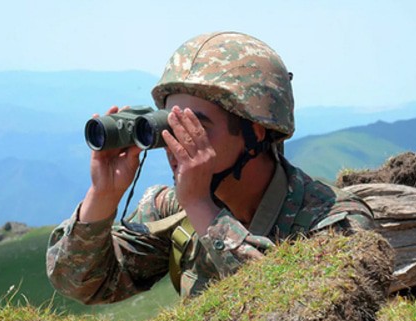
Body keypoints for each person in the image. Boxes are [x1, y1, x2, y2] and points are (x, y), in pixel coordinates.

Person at [46, 31, 376, 303]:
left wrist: (201, 207)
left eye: (196, 127)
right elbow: (83, 284)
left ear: (254, 132)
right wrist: (102, 196)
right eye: (170, 126)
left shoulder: (335, 222)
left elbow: (294, 309)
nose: (178, 144)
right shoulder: (169, 209)